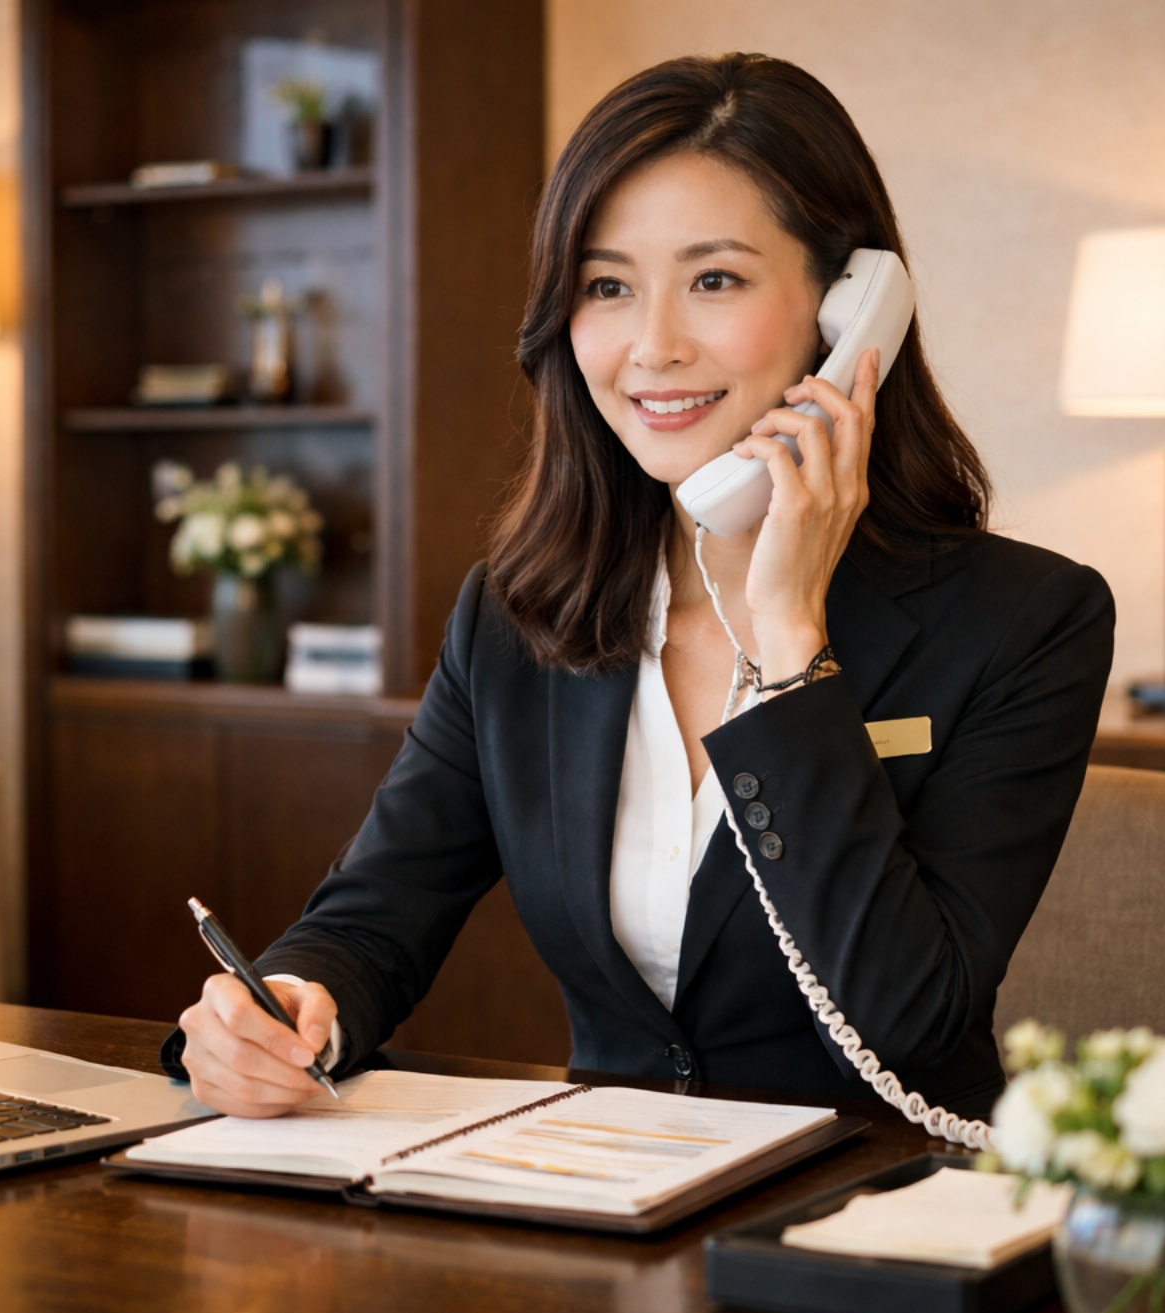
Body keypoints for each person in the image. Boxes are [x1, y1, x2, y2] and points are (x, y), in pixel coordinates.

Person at [164, 53, 1114, 1127]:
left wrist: (789, 639)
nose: (652, 348)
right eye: (607, 287)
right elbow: (379, 911)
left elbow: (907, 1016)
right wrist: (292, 1003)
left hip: (880, 1228)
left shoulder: (1024, 622)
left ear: (850, 310)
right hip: (607, 1222)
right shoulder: (517, 613)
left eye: (714, 280)